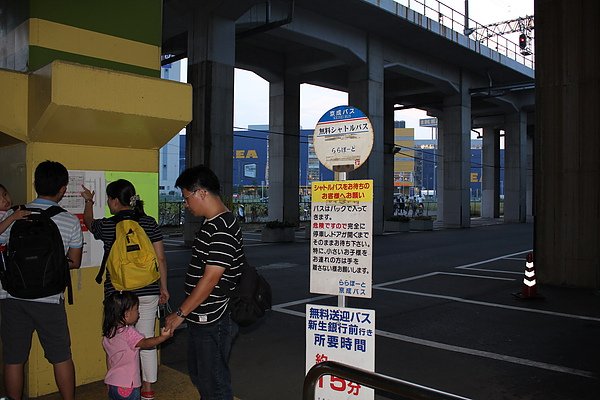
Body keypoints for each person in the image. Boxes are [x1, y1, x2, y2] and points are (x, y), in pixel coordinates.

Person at [0, 161, 83, 400]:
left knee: (14, 358)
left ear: (35, 184)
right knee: (61, 356)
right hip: (49, 299)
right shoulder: (69, 221)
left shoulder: (14, 215)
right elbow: (74, 262)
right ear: (63, 189)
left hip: (13, 296)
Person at [80, 179, 169, 400]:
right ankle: (147, 389)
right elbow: (160, 258)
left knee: (115, 340)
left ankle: (117, 382)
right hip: (148, 290)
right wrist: (163, 288)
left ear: (114, 201)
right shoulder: (149, 222)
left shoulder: (108, 225)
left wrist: (89, 201)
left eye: (109, 199)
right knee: (146, 338)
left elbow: (89, 222)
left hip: (118, 294)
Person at [165, 165, 243, 400]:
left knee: (214, 383)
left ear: (201, 193)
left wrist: (180, 313)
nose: (186, 205)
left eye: (187, 198)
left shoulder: (223, 228)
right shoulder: (212, 223)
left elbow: (210, 279)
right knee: (202, 376)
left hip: (215, 318)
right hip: (203, 315)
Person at [102, 291, 173, 400]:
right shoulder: (128, 332)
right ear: (126, 314)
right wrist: (162, 338)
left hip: (113, 383)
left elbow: (109, 359)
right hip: (128, 385)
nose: (138, 312)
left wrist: (109, 381)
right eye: (136, 309)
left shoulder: (109, 333)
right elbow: (145, 343)